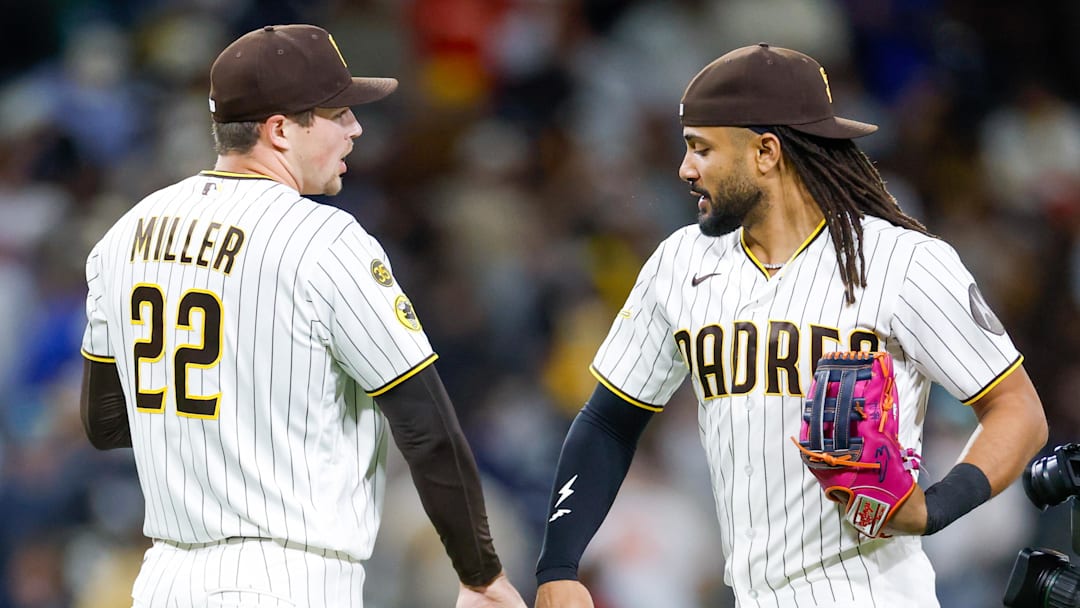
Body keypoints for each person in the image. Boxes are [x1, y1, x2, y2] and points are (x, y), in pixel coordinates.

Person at [533, 43, 1049, 608]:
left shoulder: (900, 262)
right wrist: (559, 563)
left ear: (765, 151)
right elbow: (609, 422)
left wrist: (933, 508)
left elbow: (1017, 410)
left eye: (701, 148)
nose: (685, 168)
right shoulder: (680, 263)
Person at [79, 24, 526, 608]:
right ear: (280, 130)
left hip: (164, 579)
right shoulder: (325, 239)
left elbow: (106, 424)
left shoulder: (124, 234)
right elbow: (426, 428)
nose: (355, 128)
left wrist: (214, 432)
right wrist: (480, 574)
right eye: (337, 112)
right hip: (289, 579)